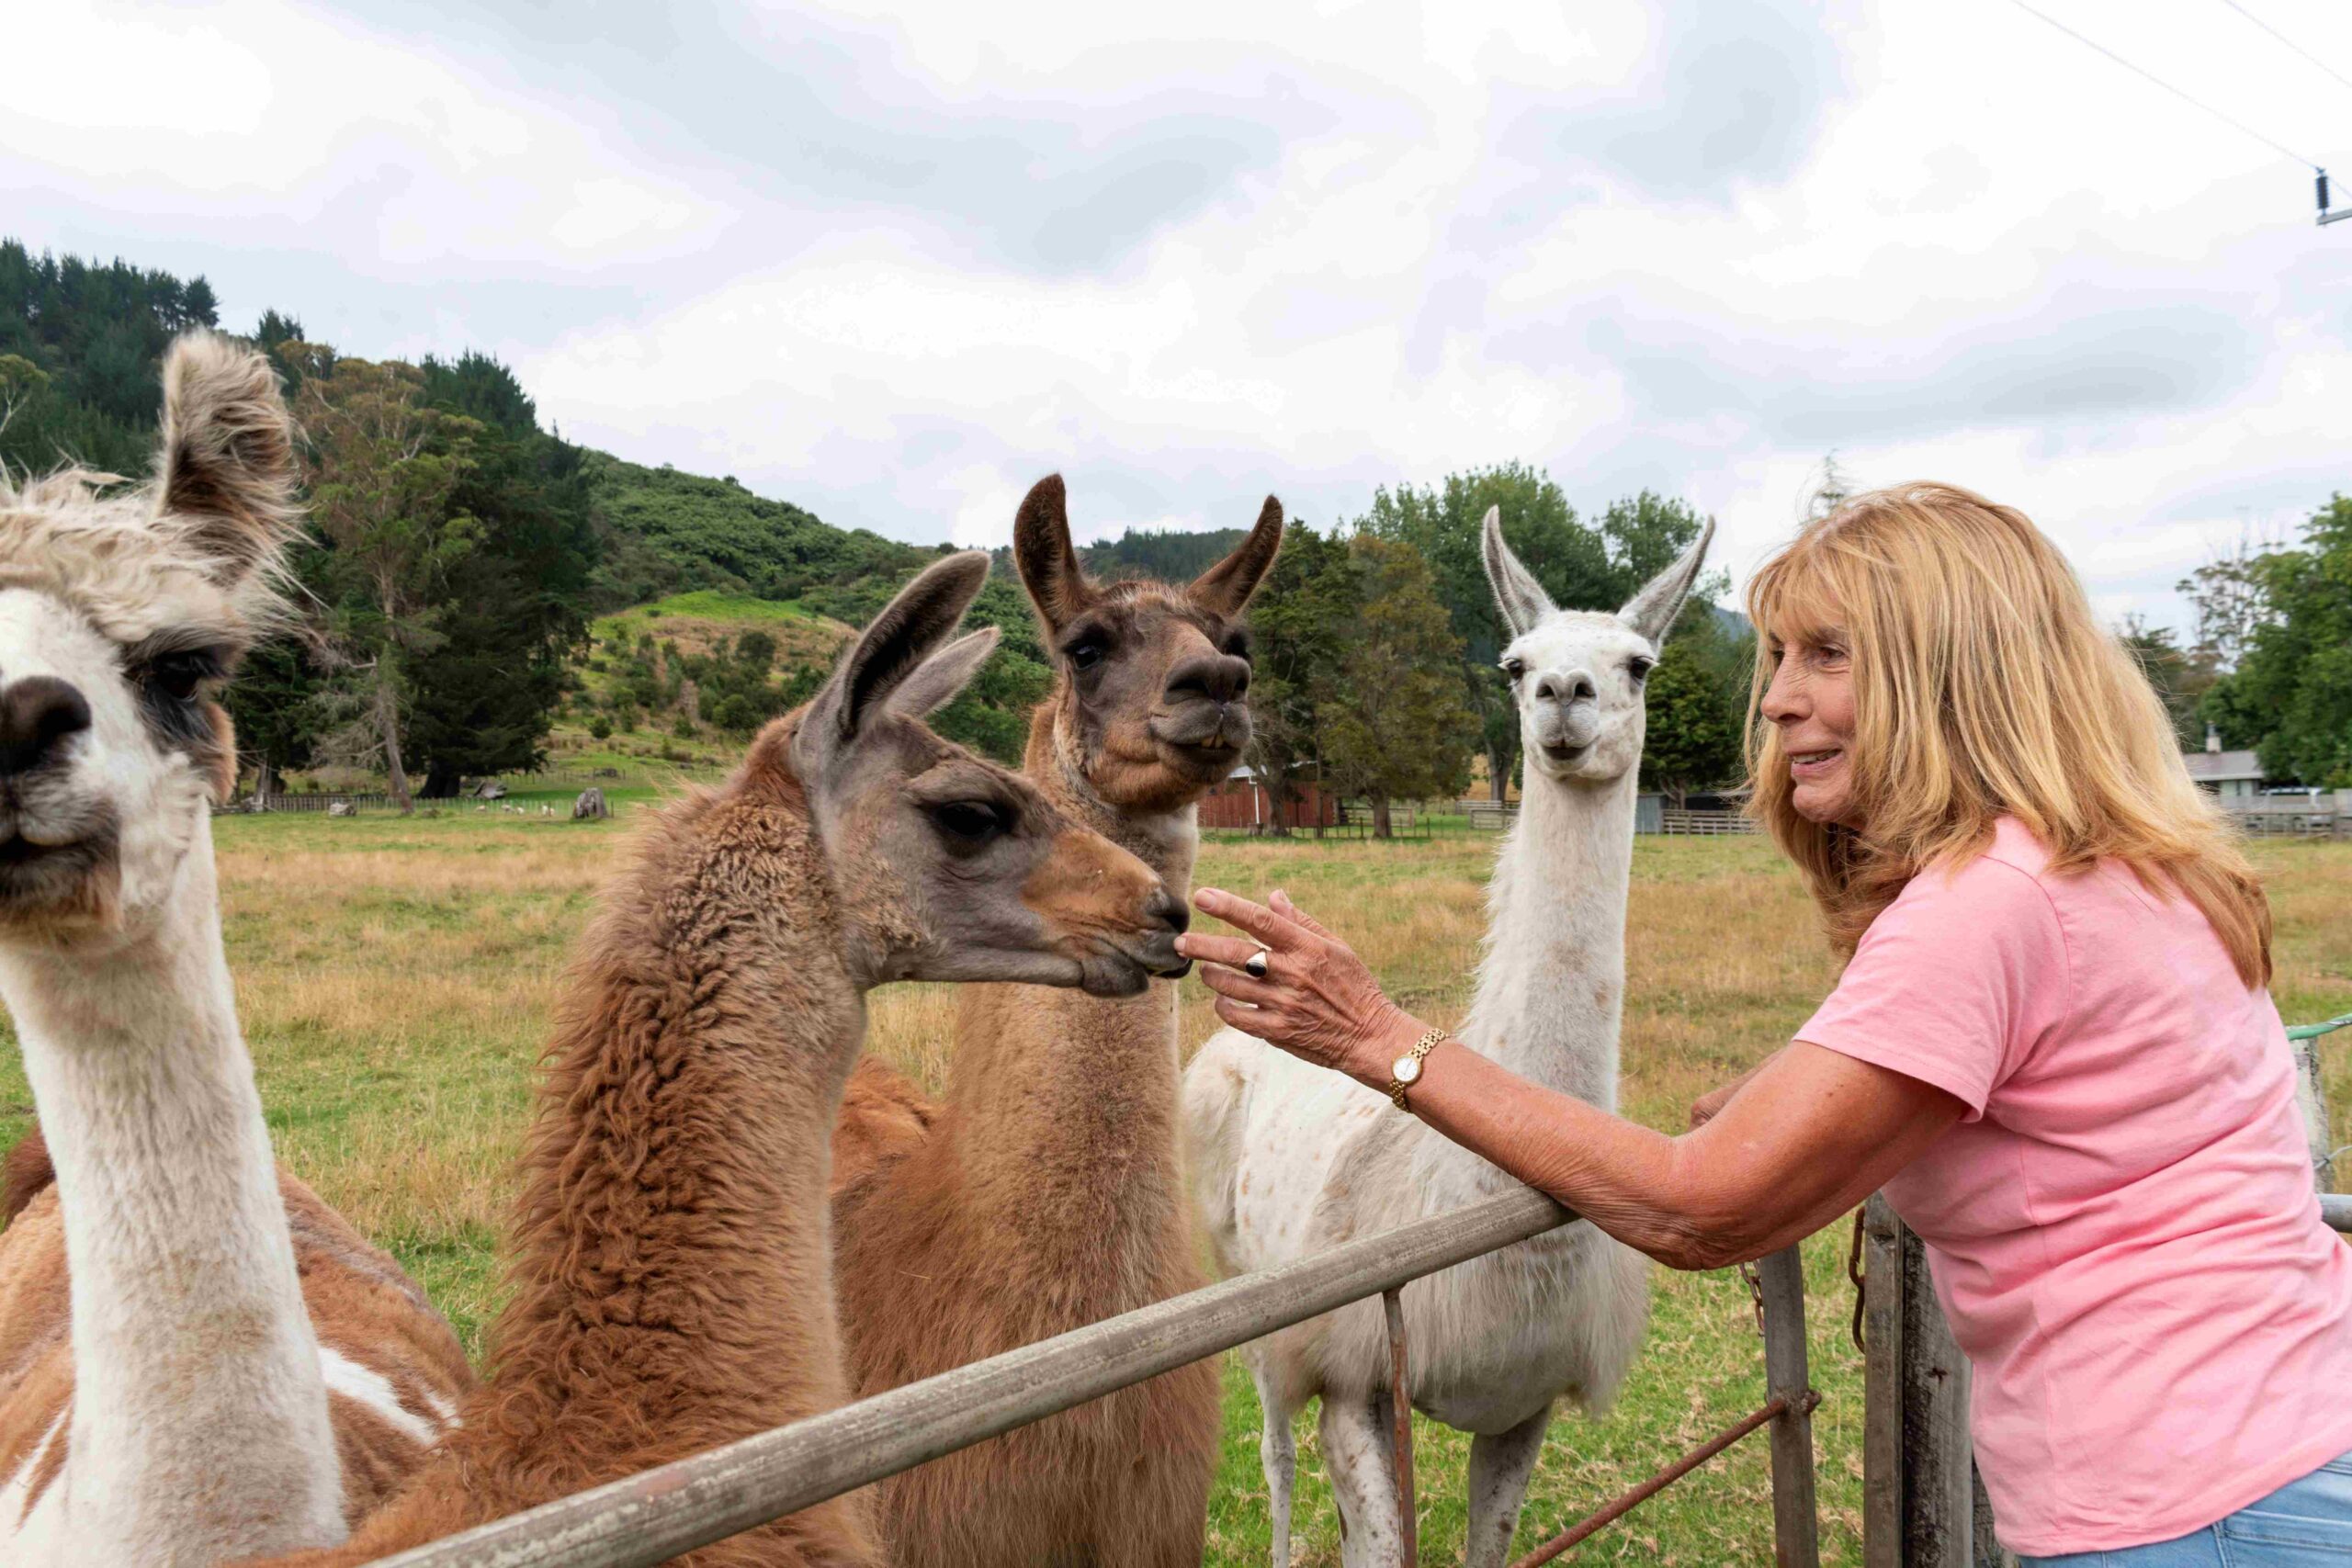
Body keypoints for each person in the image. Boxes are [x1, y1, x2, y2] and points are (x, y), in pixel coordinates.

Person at [1175, 483, 2352, 1565]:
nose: (1776, 694)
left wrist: (1379, 1034)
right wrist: (1806, 1076)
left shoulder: (1988, 905)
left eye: (1825, 655)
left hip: (2200, 1510)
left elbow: (1698, 1208)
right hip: (2300, 1432)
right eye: (1779, 655)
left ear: (1951, 672)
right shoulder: (2128, 861)